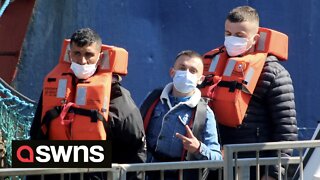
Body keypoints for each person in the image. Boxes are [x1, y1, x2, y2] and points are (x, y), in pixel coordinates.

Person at [29, 28, 146, 180]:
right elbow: (37, 135)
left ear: (99, 57)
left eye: (89, 55)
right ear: (69, 54)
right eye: (77, 53)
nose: (82, 61)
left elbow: (135, 149)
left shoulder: (118, 98)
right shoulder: (53, 89)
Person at [202, 6, 298, 180]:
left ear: (254, 39)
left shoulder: (274, 73)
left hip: (256, 166)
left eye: (239, 35)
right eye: (228, 33)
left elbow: (286, 128)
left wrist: (274, 174)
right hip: (220, 165)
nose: (232, 40)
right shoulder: (217, 67)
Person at [140, 50, 222, 180]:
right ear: (172, 72)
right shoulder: (154, 99)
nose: (186, 74)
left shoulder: (205, 113)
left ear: (200, 79)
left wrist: (198, 148)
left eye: (193, 71)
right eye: (182, 68)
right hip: (148, 173)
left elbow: (217, 160)